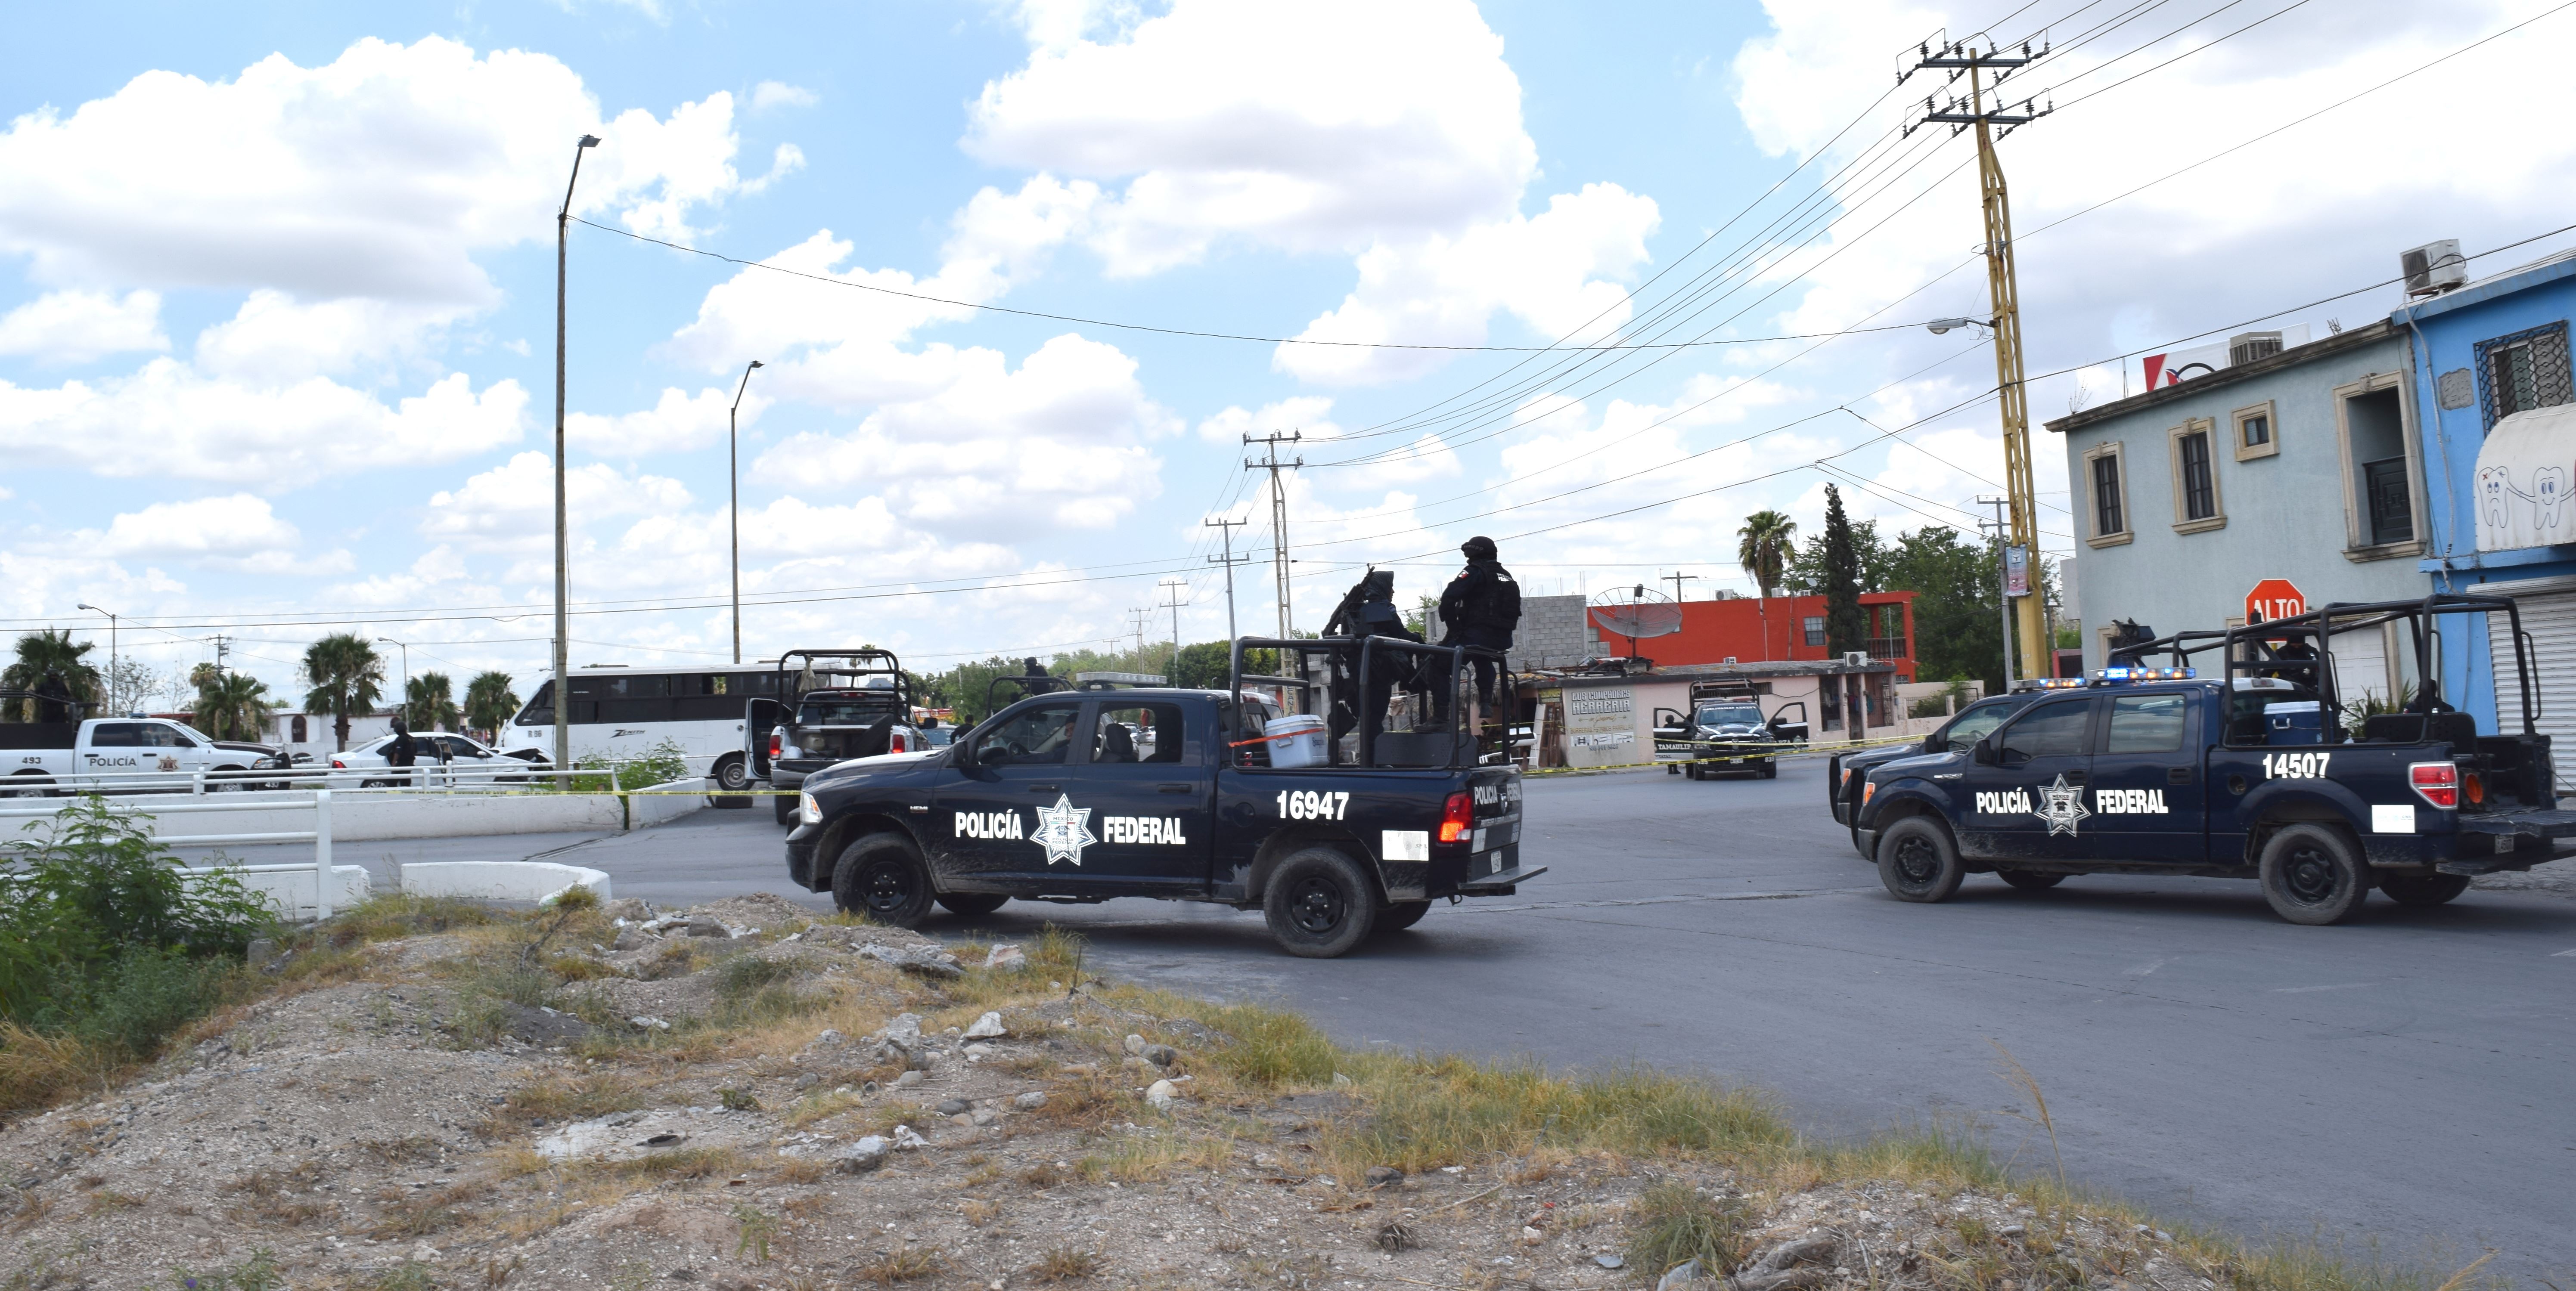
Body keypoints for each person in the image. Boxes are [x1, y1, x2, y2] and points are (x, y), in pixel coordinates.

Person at [1430, 536, 1521, 730]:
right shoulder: (1505, 575)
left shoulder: (1475, 572)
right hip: (1501, 639)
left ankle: (1440, 717)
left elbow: (1449, 598)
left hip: (1476, 635)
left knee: (1438, 666)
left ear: (1473, 553)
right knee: (1482, 654)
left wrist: (1452, 626)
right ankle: (1486, 701)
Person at [1323, 569, 1420, 748]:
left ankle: (1372, 759)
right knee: (1374, 721)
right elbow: (1400, 634)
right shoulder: (1380, 608)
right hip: (1376, 673)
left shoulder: (1355, 610)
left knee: (1370, 721)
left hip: (1362, 672)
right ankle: (1375, 761)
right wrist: (1418, 639)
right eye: (1391, 587)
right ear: (1382, 587)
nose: (1393, 592)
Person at [387, 715, 419, 785]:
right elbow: (415, 751)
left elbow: (398, 752)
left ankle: (393, 795)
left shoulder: (401, 739)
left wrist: (394, 763)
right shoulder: (412, 739)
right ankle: (406, 794)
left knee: (392, 783)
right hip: (410, 763)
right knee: (406, 782)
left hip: (402, 764)